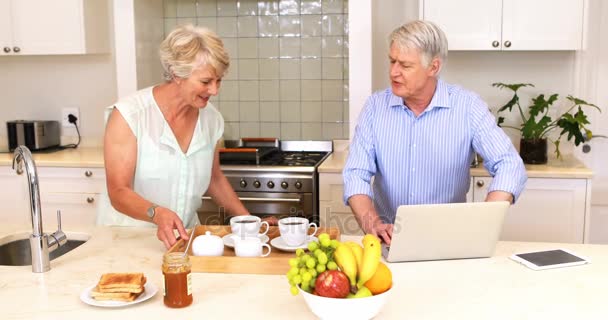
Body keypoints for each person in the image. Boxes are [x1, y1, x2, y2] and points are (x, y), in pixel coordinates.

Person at [343, 20, 527, 245]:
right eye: (392, 61)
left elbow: (509, 164)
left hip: (449, 240)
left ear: (434, 67)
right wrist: (373, 226)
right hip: (389, 241)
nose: (394, 72)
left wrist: (483, 222)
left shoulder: (467, 106)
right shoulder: (375, 107)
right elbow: (355, 174)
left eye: (405, 65)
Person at [99, 25, 273, 249]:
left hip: (184, 239)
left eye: (219, 80)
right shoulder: (129, 116)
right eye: (205, 82)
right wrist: (156, 213)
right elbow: (118, 191)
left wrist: (250, 222)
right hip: (129, 242)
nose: (214, 90)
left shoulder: (211, 119)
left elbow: (214, 178)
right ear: (176, 74)